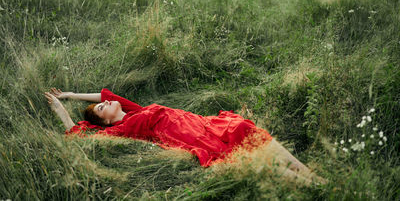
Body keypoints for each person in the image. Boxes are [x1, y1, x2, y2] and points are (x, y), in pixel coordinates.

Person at [43, 87, 327, 186]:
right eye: (101, 108)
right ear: (104, 120)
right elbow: (76, 133)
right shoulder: (121, 129)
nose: (105, 103)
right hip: (188, 136)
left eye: (103, 103)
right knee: (238, 154)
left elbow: (104, 92)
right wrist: (60, 109)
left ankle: (311, 175)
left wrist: (70, 95)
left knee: (246, 130)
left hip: (200, 122)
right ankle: (311, 186)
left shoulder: (132, 110)